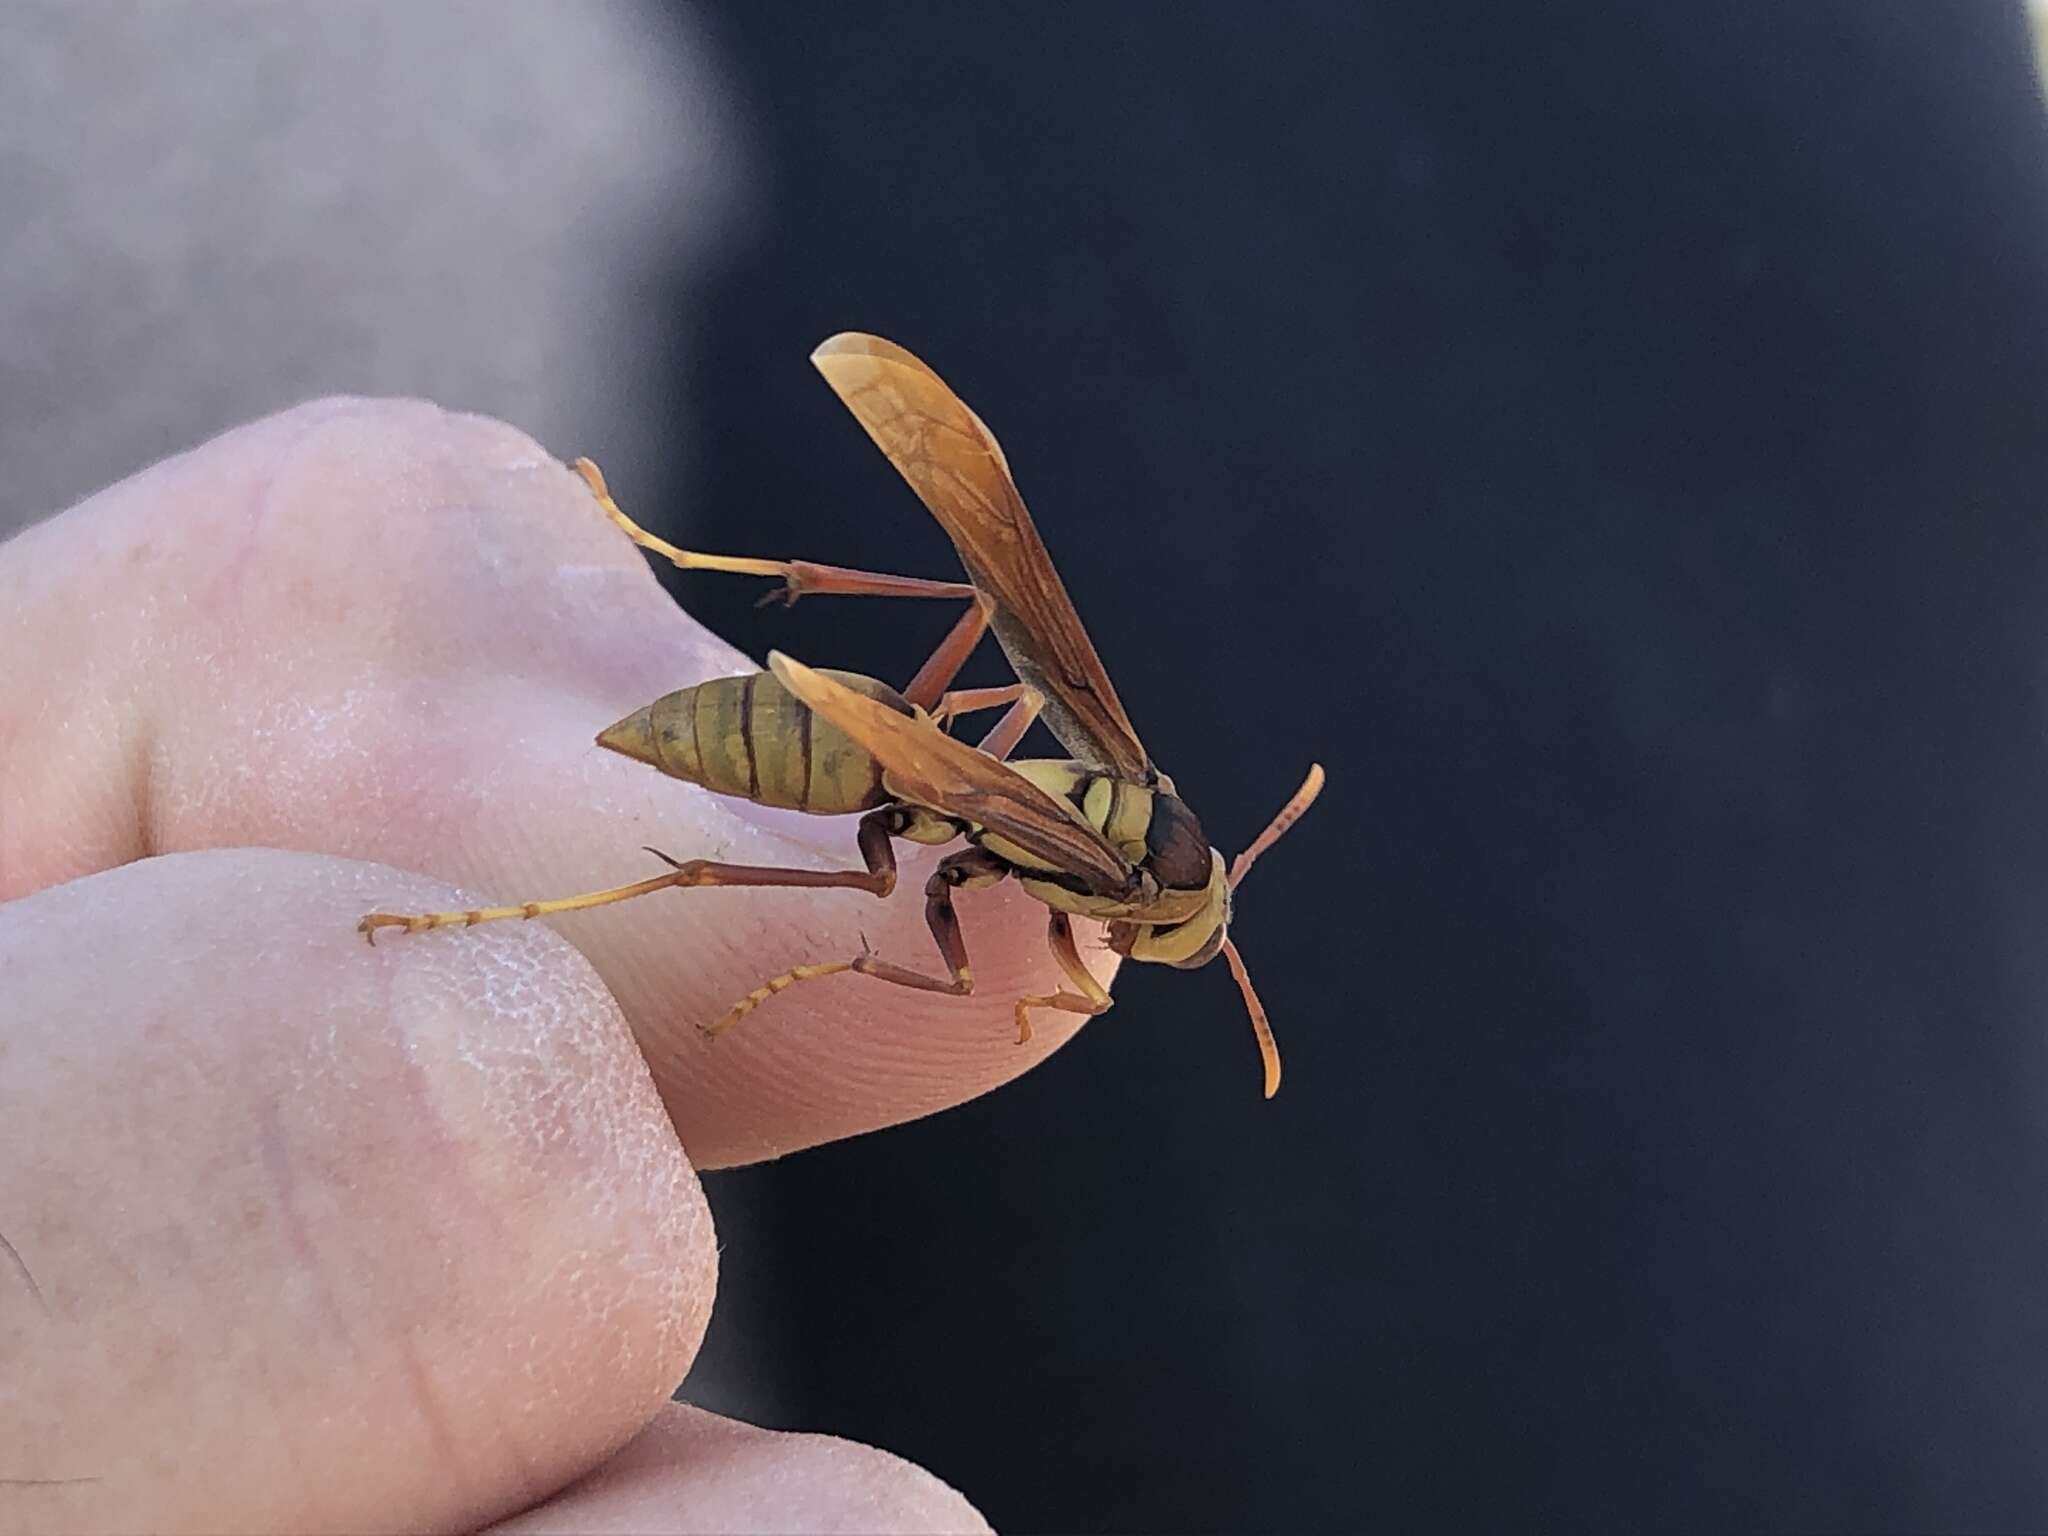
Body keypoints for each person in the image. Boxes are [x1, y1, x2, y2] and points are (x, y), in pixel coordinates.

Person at [0, 398, 1099, 1532]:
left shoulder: (1074, 834)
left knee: (898, 836)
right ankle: (645, 711)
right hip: (836, 755)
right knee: (901, 913)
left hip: (862, 748)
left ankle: (678, 629)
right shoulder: (1064, 886)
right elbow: (1026, 937)